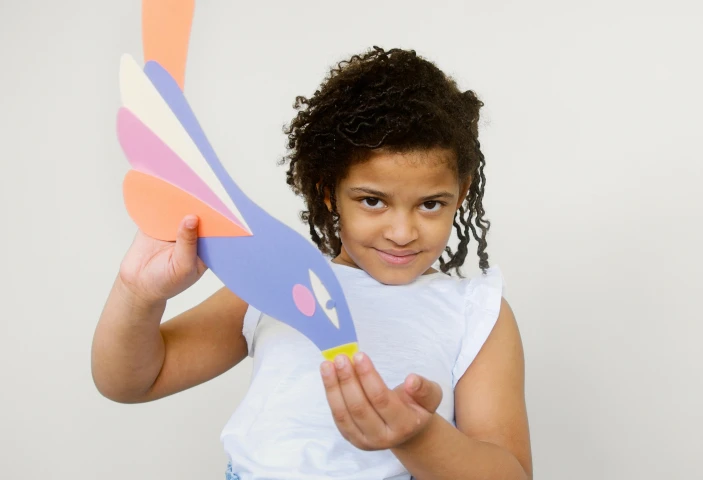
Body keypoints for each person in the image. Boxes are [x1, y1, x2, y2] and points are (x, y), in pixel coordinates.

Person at [92, 46, 532, 480]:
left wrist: (417, 437)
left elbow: (510, 473)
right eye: (373, 201)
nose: (402, 231)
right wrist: (138, 294)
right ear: (328, 191)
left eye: (431, 204)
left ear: (461, 191)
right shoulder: (279, 280)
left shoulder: (475, 312)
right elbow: (132, 382)